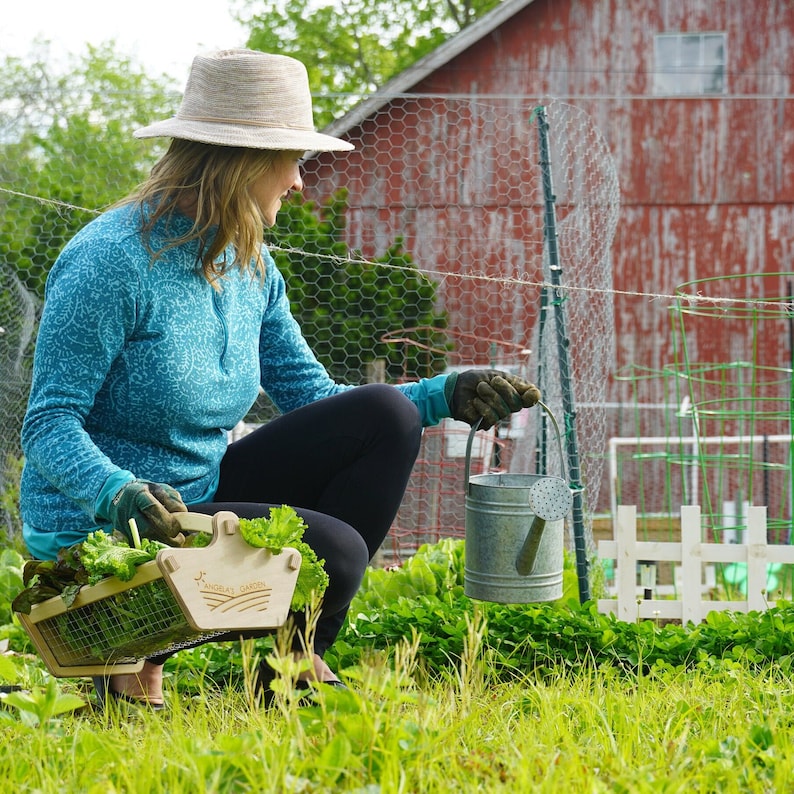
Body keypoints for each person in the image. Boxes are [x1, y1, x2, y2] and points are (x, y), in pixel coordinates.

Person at [19, 49, 540, 709]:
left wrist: (443, 396)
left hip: (198, 496)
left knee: (387, 417)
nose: (299, 181)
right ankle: (173, 661)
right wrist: (117, 494)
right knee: (335, 553)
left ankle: (284, 668)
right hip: (100, 528)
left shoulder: (253, 269)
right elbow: (47, 424)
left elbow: (321, 405)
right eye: (292, 159)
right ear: (241, 162)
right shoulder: (108, 263)